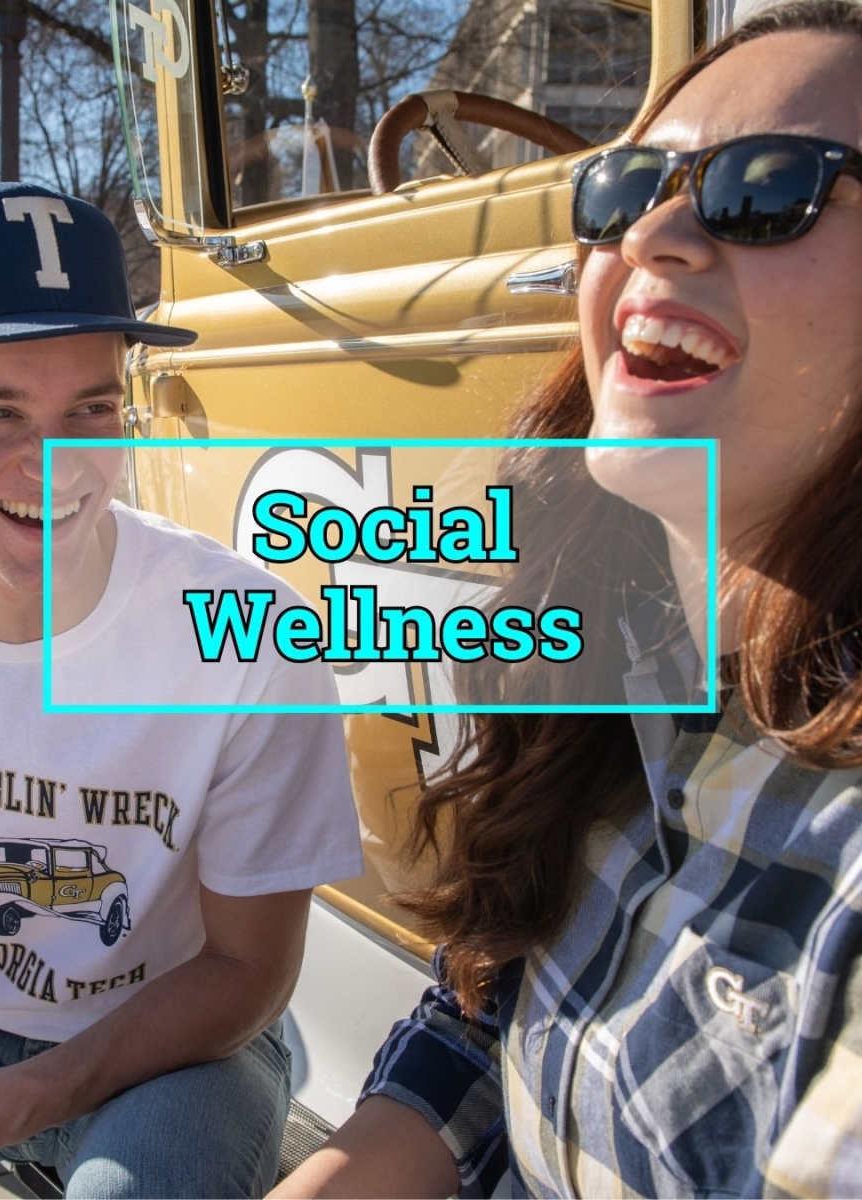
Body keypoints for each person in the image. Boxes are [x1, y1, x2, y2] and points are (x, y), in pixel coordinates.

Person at [271, 2, 862, 1196]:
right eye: (625, 187)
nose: (655, 233)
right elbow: (487, 1011)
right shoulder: (625, 642)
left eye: (767, 188)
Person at [0, 182, 364, 1199]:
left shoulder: (248, 632)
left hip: (175, 1044)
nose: (55, 460)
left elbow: (247, 974)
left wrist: (8, 1105)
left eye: (91, 410)